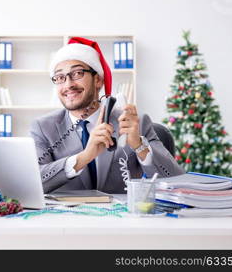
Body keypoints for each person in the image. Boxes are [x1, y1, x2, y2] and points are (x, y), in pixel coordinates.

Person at [30, 37, 185, 194]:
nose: (68, 84)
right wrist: (84, 157)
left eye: (77, 73)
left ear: (98, 80)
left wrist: (139, 146)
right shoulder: (43, 127)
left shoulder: (134, 123)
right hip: (66, 217)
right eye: (60, 77)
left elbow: (176, 182)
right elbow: (33, 183)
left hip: (122, 216)